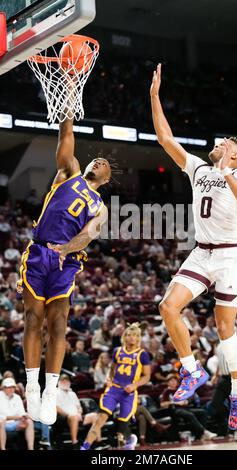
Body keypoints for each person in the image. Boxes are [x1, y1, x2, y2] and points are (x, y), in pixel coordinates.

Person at [150, 63, 237, 431]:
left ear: (234, 154)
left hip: (229, 254)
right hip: (202, 250)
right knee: (168, 306)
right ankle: (191, 370)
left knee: (225, 327)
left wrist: (228, 172)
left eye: (225, 142)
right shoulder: (198, 168)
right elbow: (166, 139)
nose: (218, 143)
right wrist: (154, 96)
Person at [16, 114, 111, 426]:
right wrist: (67, 111)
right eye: (95, 159)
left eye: (103, 163)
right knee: (34, 318)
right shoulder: (69, 173)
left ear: (107, 178)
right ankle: (32, 386)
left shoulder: (100, 206)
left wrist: (68, 249)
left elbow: (90, 233)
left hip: (66, 260)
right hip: (40, 249)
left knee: (58, 325)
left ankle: (50, 390)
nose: (98, 161)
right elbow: (65, 141)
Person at [80, 323, 151, 450]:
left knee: (122, 425)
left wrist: (135, 385)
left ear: (138, 338)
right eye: (128, 335)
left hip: (128, 393)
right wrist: (108, 378)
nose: (131, 338)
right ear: (124, 337)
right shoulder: (117, 351)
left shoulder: (142, 354)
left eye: (134, 336)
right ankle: (85, 447)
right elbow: (112, 370)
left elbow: (147, 376)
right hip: (114, 390)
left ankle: (129, 439)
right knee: (100, 418)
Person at [55, 374, 98, 449]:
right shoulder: (56, 392)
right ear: (59, 382)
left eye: (67, 380)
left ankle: (96, 441)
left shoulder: (72, 393)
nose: (65, 382)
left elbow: (79, 406)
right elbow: (56, 408)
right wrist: (69, 414)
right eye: (63, 380)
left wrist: (79, 413)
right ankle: (75, 443)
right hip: (63, 417)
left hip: (77, 416)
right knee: (73, 417)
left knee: (95, 416)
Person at [0, 377, 34, 450]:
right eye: (8, 387)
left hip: (15, 423)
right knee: (1, 422)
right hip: (3, 423)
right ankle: (3, 448)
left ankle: (31, 448)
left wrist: (24, 417)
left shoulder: (17, 397)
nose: (11, 389)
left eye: (12, 387)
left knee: (29, 421)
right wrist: (16, 417)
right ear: (3, 388)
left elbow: (21, 412)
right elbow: (1, 416)